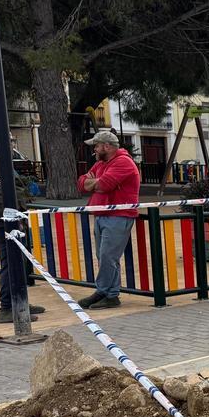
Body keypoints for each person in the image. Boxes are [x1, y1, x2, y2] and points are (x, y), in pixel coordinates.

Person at [77, 130, 141, 309]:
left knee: (107, 256)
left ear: (107, 146)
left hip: (118, 216)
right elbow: (82, 183)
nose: (94, 150)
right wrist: (96, 182)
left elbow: (104, 185)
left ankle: (103, 291)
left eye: (96, 146)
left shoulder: (123, 162)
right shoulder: (102, 163)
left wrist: (95, 183)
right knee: (104, 256)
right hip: (103, 215)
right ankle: (111, 295)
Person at [0, 150, 46, 324]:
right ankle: (8, 307)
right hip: (3, 223)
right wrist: (12, 219)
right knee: (12, 262)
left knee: (17, 261)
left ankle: (19, 301)